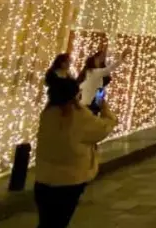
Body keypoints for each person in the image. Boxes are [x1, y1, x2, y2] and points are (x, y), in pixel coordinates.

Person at [34, 76, 116, 228]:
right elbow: (103, 128)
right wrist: (104, 108)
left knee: (46, 222)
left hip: (44, 178)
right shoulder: (77, 115)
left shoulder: (48, 113)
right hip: (68, 180)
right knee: (59, 222)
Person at [77, 48, 114, 113]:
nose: (102, 58)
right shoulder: (89, 69)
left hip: (97, 92)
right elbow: (80, 80)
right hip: (87, 92)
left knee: (94, 109)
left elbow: (107, 78)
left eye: (103, 56)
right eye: (101, 56)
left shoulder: (102, 68)